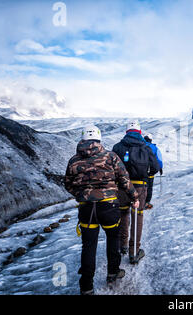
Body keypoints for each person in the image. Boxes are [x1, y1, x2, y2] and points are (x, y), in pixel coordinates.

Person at [65, 125, 139, 295]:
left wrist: (81, 194)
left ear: (82, 139)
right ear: (98, 138)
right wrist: (134, 197)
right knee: (113, 239)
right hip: (109, 206)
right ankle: (113, 273)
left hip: (86, 209)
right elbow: (124, 180)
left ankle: (86, 286)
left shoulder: (74, 161)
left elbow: (68, 184)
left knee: (88, 246)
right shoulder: (111, 157)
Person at [112, 121, 160, 265]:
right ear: (139, 132)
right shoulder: (145, 147)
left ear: (126, 132)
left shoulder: (117, 147)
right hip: (140, 186)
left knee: (123, 213)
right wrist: (146, 175)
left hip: (121, 187)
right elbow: (155, 167)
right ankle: (134, 252)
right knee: (137, 216)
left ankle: (123, 245)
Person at [144, 133, 163, 210]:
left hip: (140, 171)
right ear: (151, 140)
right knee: (149, 187)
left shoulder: (139, 146)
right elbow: (159, 159)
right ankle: (147, 202)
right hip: (150, 171)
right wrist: (160, 168)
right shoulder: (154, 148)